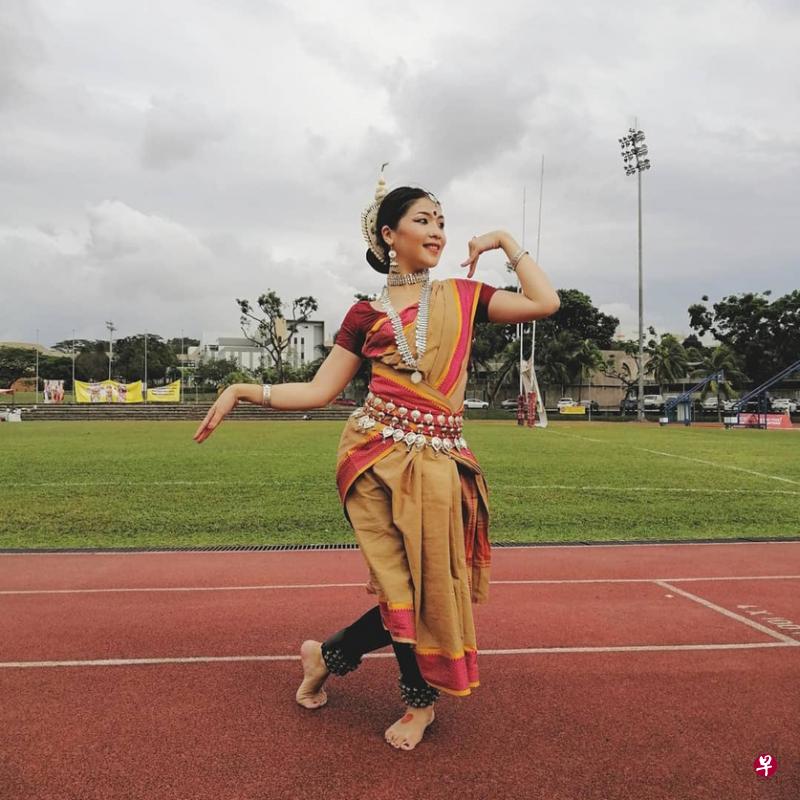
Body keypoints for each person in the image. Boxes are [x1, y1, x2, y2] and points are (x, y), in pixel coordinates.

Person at [192, 165, 560, 751]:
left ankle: (326, 656)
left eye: (442, 222)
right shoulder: (364, 314)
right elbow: (318, 391)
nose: (438, 232)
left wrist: (505, 243)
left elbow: (545, 302)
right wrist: (243, 390)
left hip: (440, 461)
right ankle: (420, 705)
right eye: (423, 221)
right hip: (372, 458)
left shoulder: (466, 298)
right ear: (389, 235)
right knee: (400, 588)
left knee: (424, 590)